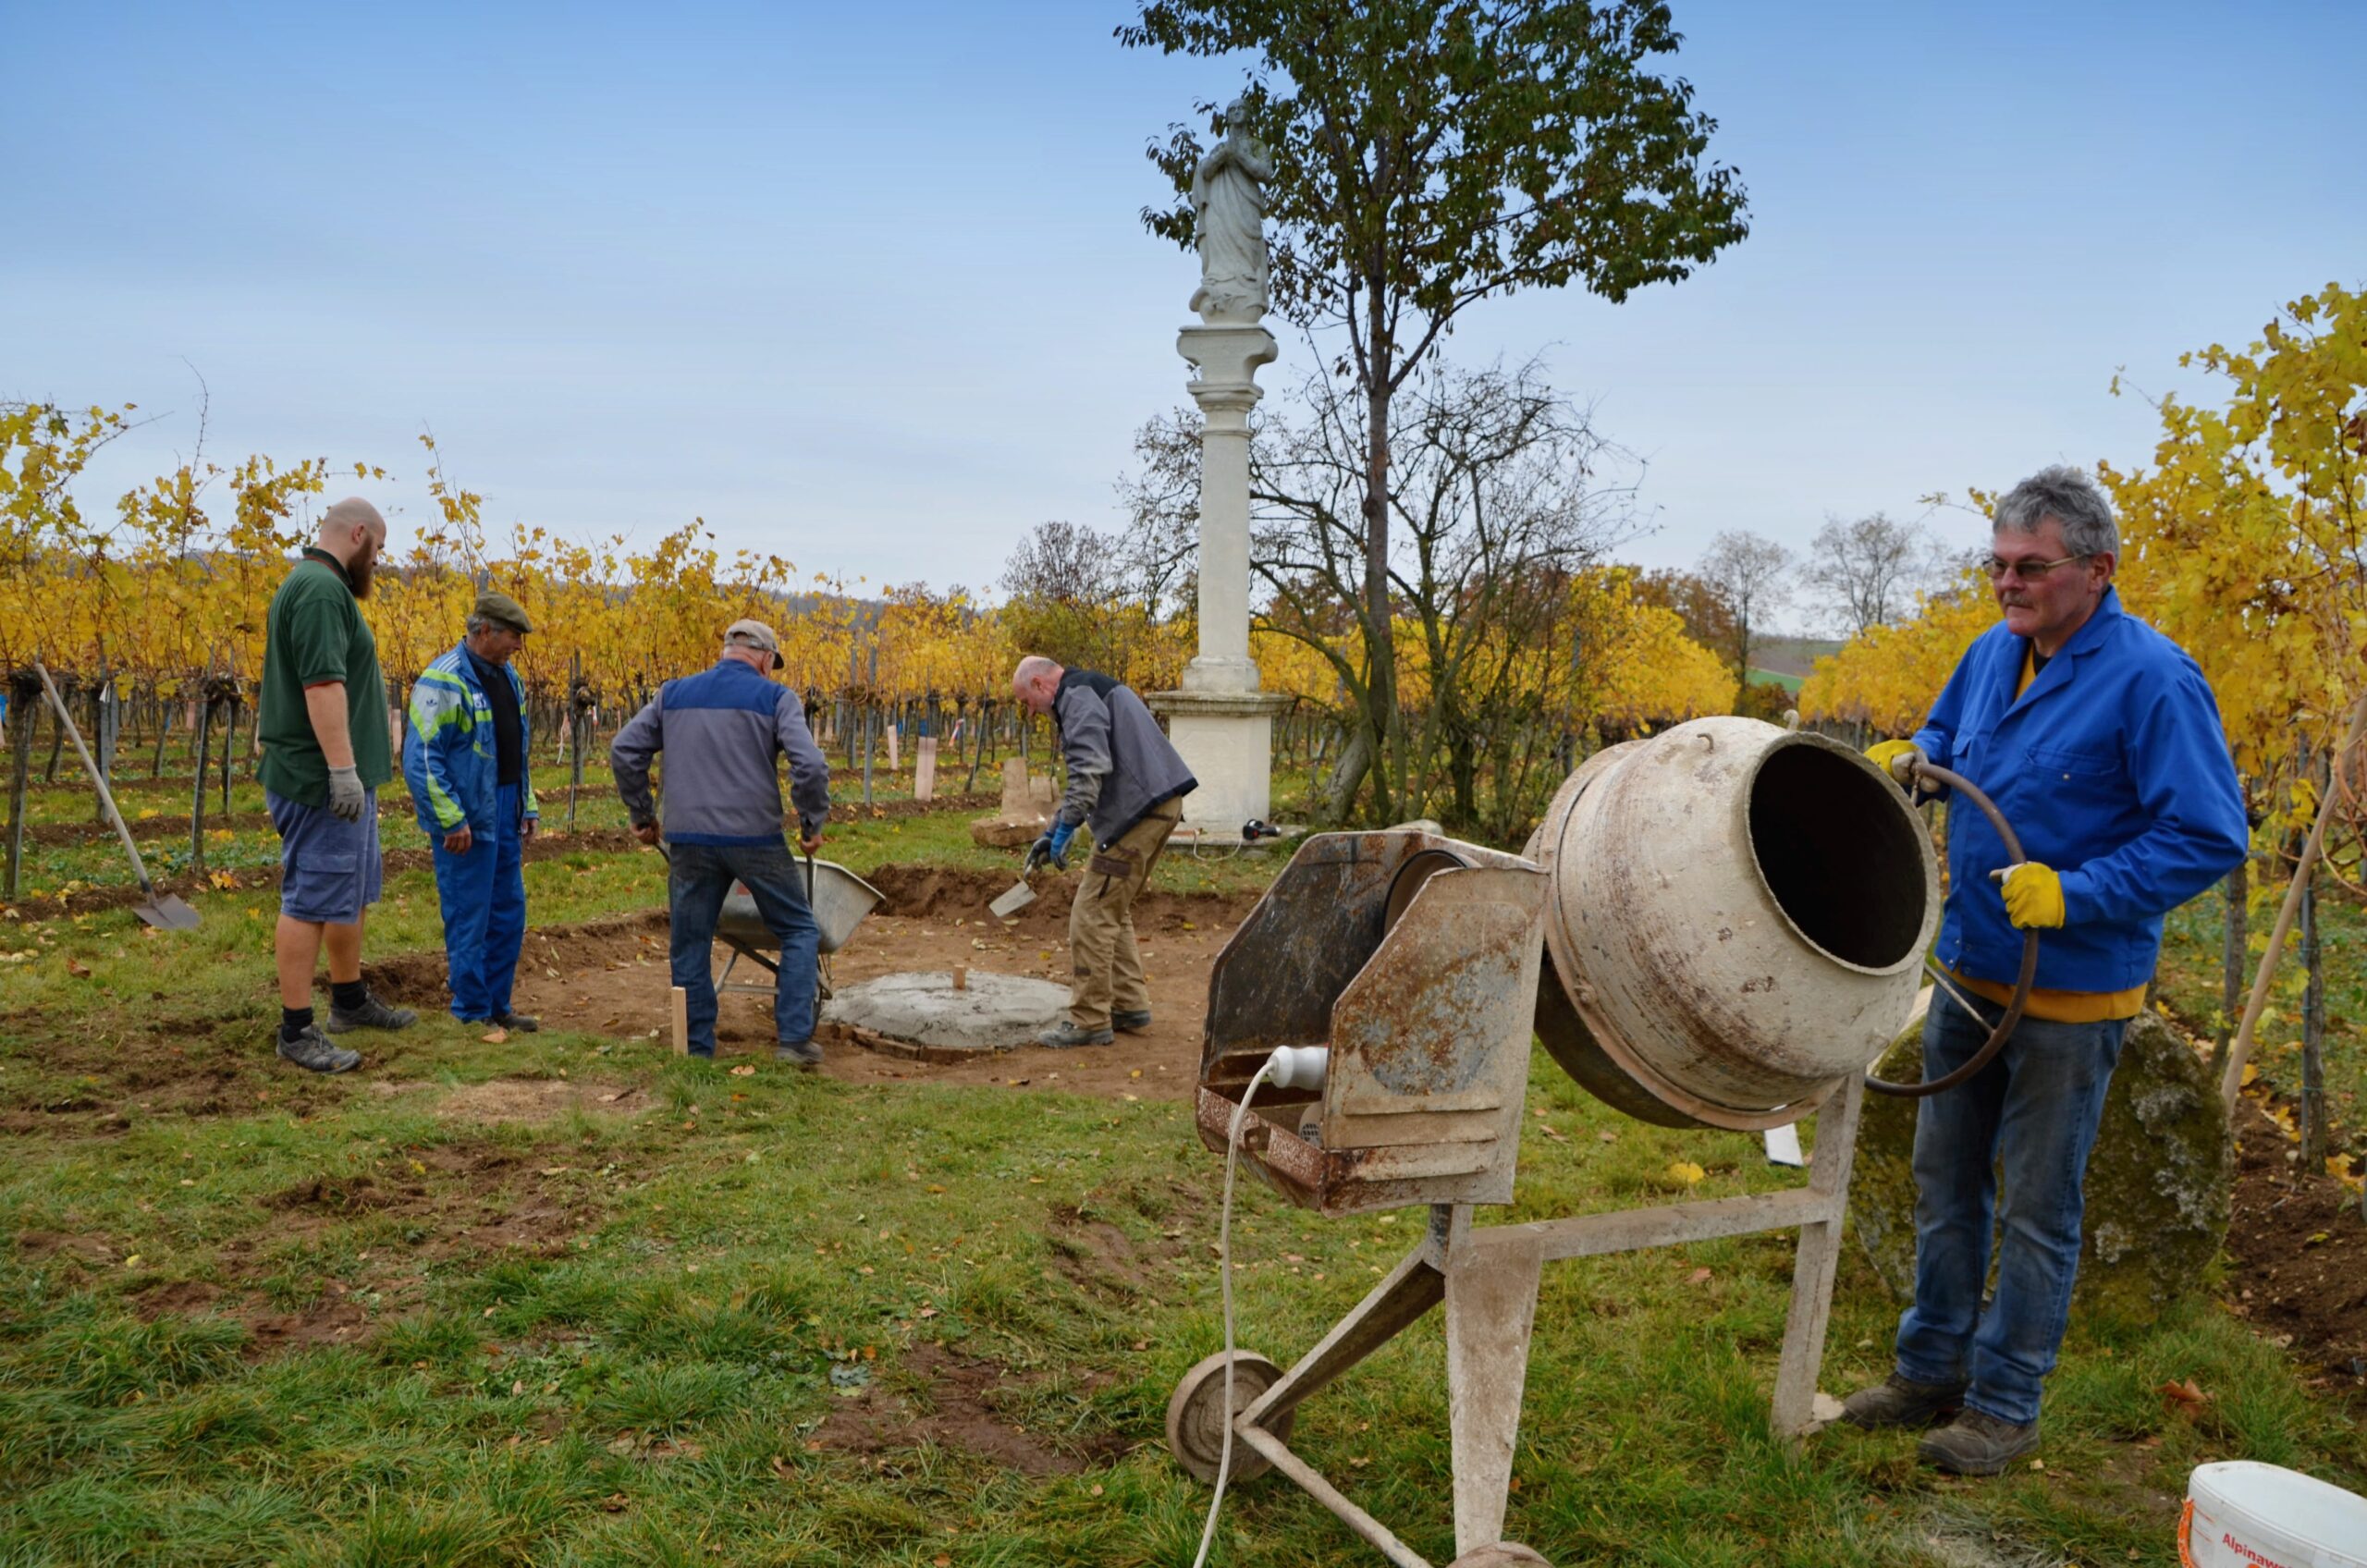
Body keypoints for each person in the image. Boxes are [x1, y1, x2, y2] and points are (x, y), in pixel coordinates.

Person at [1843, 466, 2246, 1475]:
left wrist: (2076, 891)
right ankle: (1928, 1368)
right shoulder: (1993, 653)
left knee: (2035, 1204)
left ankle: (2003, 1405)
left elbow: (2208, 833)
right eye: (1996, 565)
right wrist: (1918, 756)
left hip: (2071, 995)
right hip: (1974, 971)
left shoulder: (2153, 678)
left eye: (2029, 566)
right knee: (1942, 1176)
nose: (2006, 584)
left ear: (2096, 570)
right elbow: (1949, 734)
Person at [610, 619, 830, 1064]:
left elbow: (623, 749)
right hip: (755, 838)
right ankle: (792, 1041)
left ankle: (696, 1049)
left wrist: (642, 814)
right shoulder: (775, 698)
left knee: (690, 941)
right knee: (799, 928)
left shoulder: (673, 694)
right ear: (765, 658)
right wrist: (811, 825)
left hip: (688, 838)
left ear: (728, 651)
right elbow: (809, 764)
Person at [257, 496, 418, 1073]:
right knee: (312, 898)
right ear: (358, 536)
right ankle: (296, 1030)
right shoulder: (322, 591)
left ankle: (349, 1000)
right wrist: (343, 771)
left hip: (338, 778)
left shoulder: (315, 585)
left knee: (346, 892)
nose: (377, 562)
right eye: (378, 550)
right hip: (321, 779)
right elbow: (323, 686)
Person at [1010, 655, 1196, 1047]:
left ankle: (1089, 1020)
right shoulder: (1090, 687)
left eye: (1027, 701)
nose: (1031, 711)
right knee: (1111, 908)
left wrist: (1065, 829)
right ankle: (1129, 1005)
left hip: (1138, 813)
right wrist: (1051, 831)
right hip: (1159, 805)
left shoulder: (1076, 698)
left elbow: (1088, 770)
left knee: (1090, 914)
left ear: (1041, 685)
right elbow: (1091, 772)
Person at [403, 591, 541, 1032]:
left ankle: (498, 1005)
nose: (518, 645)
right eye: (513, 636)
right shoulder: (444, 680)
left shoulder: (509, 677)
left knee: (508, 911)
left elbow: (514, 748)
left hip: (503, 809)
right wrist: (450, 818)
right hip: (466, 817)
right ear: (484, 631)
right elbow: (423, 757)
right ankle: (470, 1010)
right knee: (469, 915)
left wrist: (527, 802)